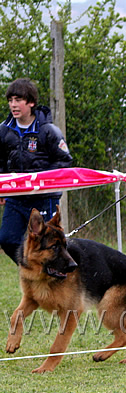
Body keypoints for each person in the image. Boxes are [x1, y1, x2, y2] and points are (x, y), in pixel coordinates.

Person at [0, 78, 73, 264]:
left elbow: (65, 161)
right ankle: (32, 268)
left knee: (50, 243)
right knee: (7, 239)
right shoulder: (3, 131)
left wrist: (40, 178)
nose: (13, 105)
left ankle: (56, 276)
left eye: (18, 100)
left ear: (31, 102)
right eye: (10, 100)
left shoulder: (49, 131)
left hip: (44, 197)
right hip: (16, 197)